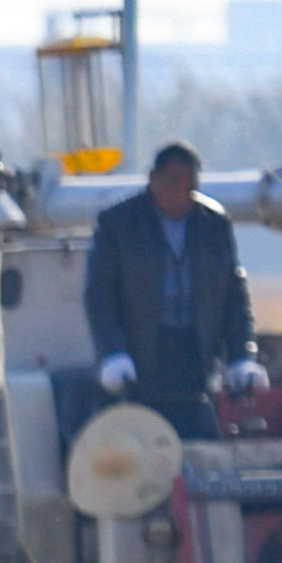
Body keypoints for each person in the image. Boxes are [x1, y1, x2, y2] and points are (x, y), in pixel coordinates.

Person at [82, 142, 261, 439]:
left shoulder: (213, 225)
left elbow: (233, 295)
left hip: (194, 354)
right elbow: (99, 296)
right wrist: (112, 353)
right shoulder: (119, 224)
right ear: (153, 179)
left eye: (187, 182)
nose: (179, 189)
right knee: (143, 438)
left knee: (198, 437)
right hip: (142, 354)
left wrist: (241, 356)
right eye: (172, 180)